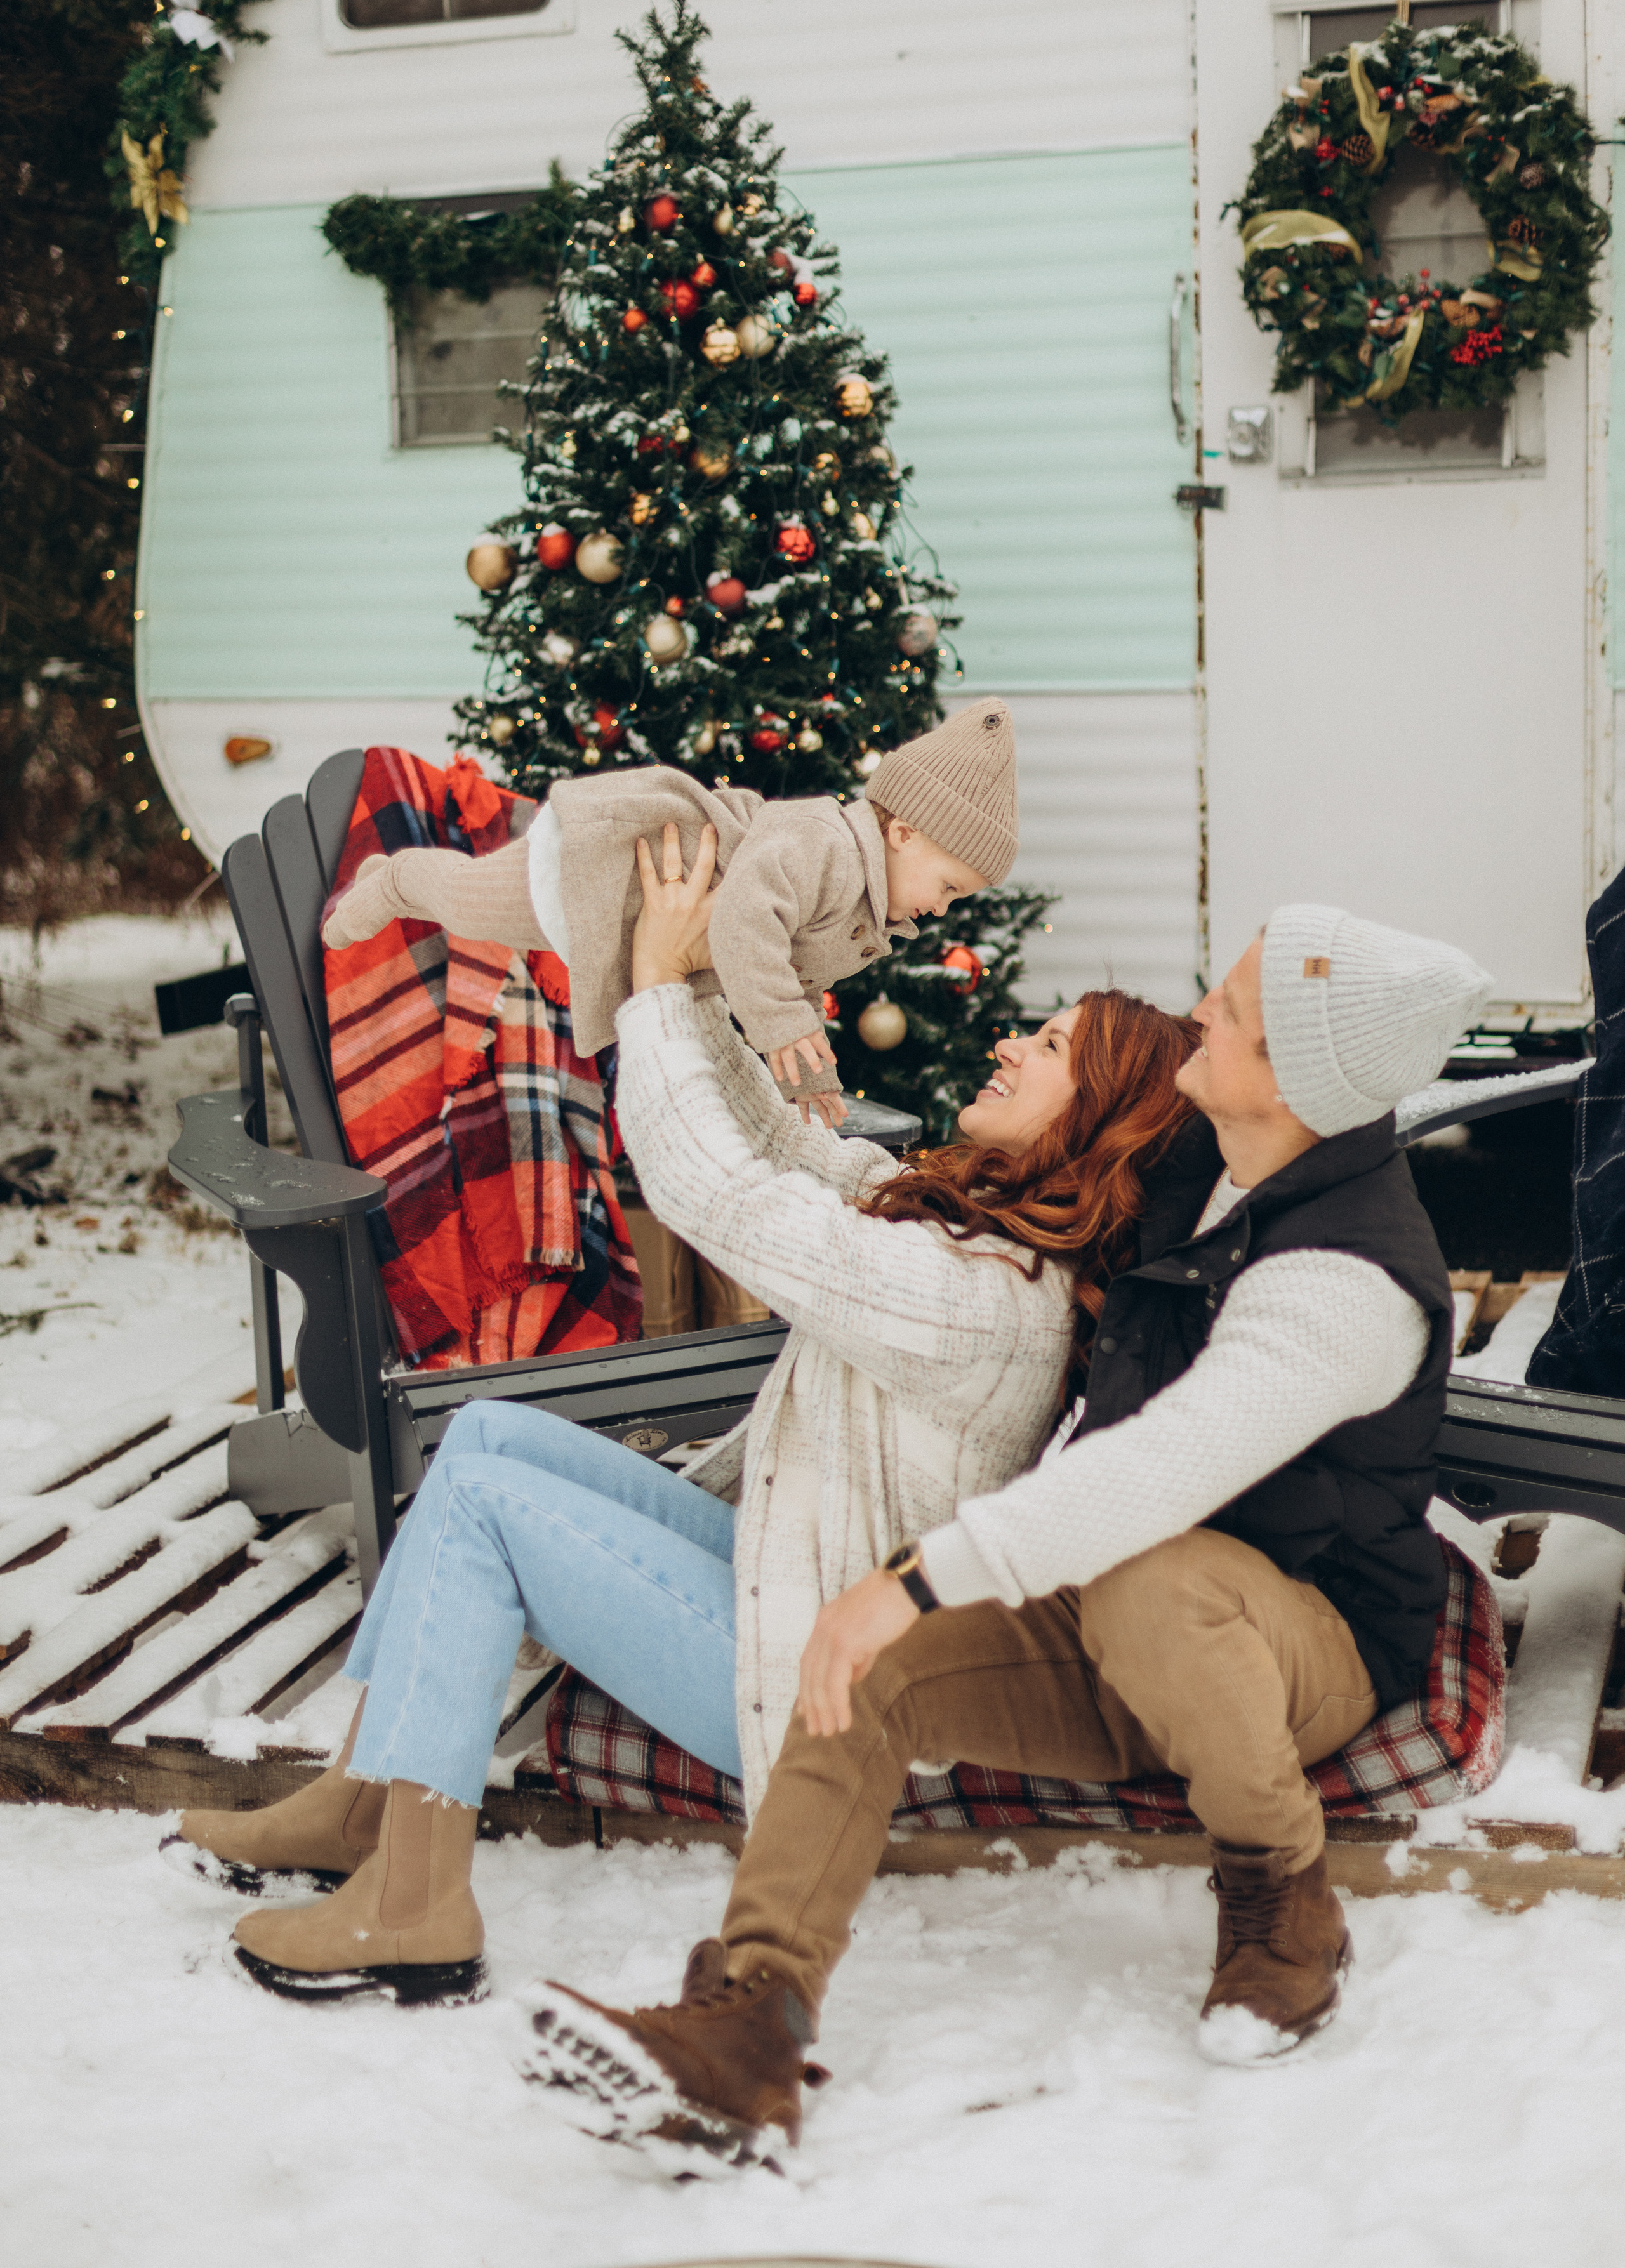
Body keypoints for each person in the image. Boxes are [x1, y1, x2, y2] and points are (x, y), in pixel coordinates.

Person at [519, 898, 1494, 2159]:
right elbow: (944, 1171)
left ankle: (1278, 1892)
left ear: (1296, 1080)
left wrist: (917, 1579)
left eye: (1234, 1014)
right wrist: (716, 988)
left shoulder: (1344, 1284)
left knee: (1144, 1574)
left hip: (1290, 1644)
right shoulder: (1198, 1157)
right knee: (862, 1662)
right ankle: (748, 2028)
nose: (1199, 1009)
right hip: (1107, 1626)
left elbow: (1156, 1471)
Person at [166, 824, 1201, 2006]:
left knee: (489, 1507)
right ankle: (364, 1800)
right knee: (490, 1440)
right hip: (781, 1569)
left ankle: (417, 1904)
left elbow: (718, 1192)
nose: (1015, 1042)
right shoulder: (965, 1224)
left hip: (799, 1678)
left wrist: (655, 984)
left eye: (1053, 1045)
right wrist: (690, 973)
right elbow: (774, 1142)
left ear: (1097, 1121)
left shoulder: (986, 1301)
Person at [322, 695, 1019, 1122]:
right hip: (606, 871)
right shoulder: (827, 845)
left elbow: (792, 981)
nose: (943, 909)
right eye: (949, 887)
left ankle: (407, 881)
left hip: (638, 910)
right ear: (903, 834)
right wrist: (776, 1028)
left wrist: (806, 1070)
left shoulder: (860, 906)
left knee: (483, 915)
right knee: (471, 904)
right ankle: (398, 879)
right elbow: (748, 918)